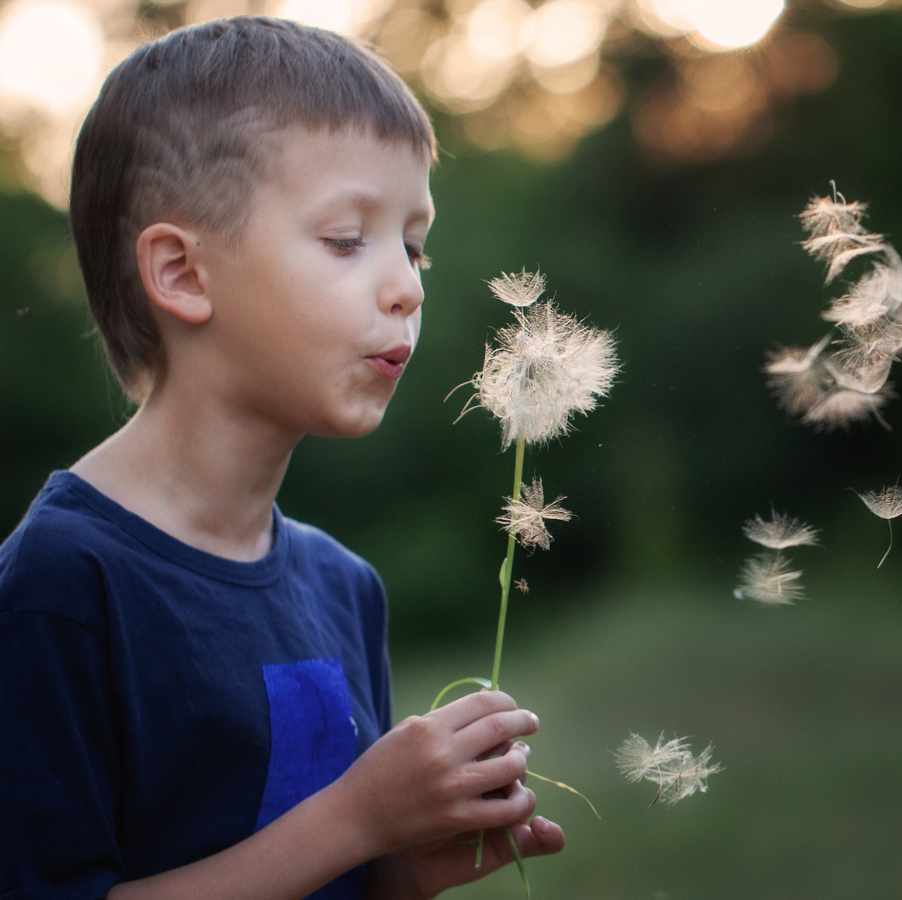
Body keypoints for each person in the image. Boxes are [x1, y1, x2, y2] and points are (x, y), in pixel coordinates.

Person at [0, 16, 564, 899]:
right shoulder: (62, 585)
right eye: (348, 239)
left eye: (415, 247)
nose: (408, 285)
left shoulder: (345, 586)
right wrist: (358, 818)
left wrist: (401, 868)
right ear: (184, 274)